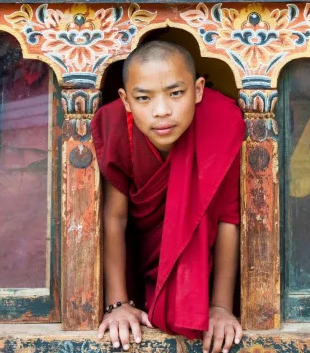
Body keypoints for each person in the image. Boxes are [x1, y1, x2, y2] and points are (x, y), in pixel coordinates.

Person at [91, 41, 244, 353]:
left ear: (198, 89)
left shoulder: (222, 121)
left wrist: (222, 307)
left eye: (176, 93)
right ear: (126, 100)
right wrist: (116, 303)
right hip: (135, 269)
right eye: (143, 98)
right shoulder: (115, 124)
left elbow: (229, 217)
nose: (162, 111)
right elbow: (113, 217)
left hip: (202, 276)